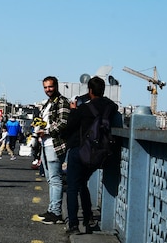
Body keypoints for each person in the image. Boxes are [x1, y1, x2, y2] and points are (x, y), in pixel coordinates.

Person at [62, 76, 119, 235]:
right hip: (100, 153)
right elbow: (112, 109)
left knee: (73, 187)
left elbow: (69, 126)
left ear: (90, 91)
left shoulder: (83, 109)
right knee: (83, 183)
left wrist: (73, 109)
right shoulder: (111, 108)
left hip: (80, 151)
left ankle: (74, 225)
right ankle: (88, 218)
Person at [32, 75, 71, 225]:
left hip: (55, 145)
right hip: (45, 144)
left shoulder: (62, 101)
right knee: (50, 179)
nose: (48, 90)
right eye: (45, 87)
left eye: (50, 86)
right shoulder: (47, 103)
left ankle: (55, 212)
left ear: (56, 86)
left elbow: (63, 122)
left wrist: (46, 131)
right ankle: (51, 209)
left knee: (55, 179)